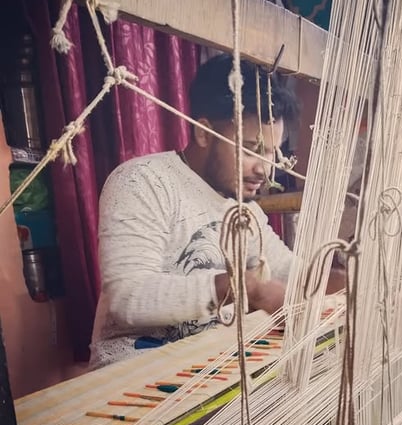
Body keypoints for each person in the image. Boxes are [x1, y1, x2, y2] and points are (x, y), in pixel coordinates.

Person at [90, 53, 342, 369]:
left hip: (206, 366)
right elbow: (128, 298)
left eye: (271, 152)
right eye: (252, 149)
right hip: (133, 377)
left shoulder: (240, 205)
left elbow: (286, 270)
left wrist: (346, 279)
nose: (265, 169)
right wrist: (245, 287)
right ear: (203, 133)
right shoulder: (142, 181)